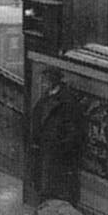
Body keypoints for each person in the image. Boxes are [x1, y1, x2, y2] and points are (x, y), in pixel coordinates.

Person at [30, 67, 85, 204]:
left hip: (57, 150)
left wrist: (62, 145)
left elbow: (73, 128)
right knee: (46, 182)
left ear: (53, 81)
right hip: (46, 146)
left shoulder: (66, 101)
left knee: (53, 184)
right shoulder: (48, 97)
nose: (43, 83)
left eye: (45, 80)